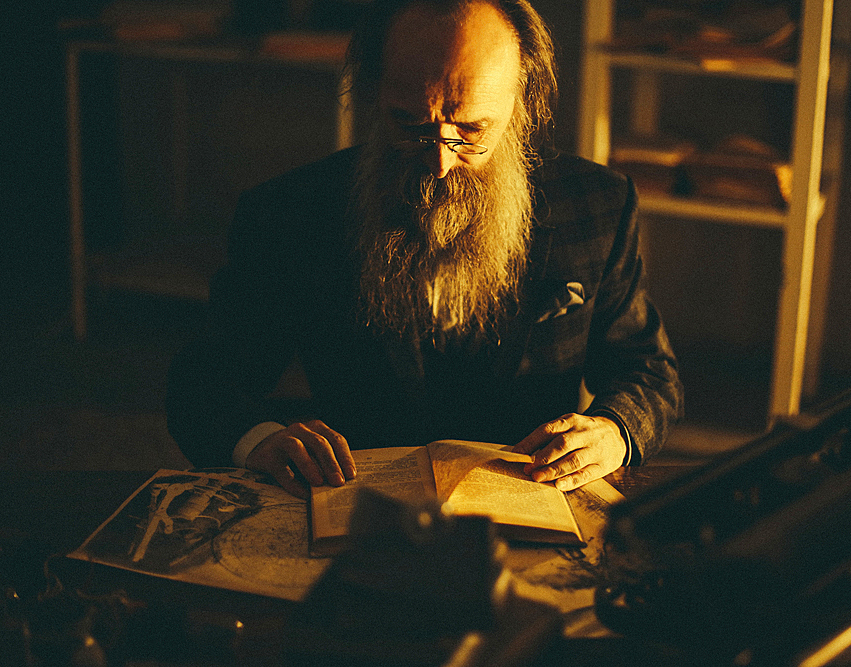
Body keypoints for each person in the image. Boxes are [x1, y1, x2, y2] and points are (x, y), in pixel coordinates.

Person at [166, 0, 683, 498]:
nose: (439, 162)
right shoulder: (291, 212)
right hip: (356, 506)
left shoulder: (597, 207)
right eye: (410, 125)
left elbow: (649, 372)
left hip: (529, 505)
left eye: (472, 130)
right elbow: (204, 383)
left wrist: (614, 431)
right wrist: (259, 440)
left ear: (520, 100)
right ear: (371, 91)